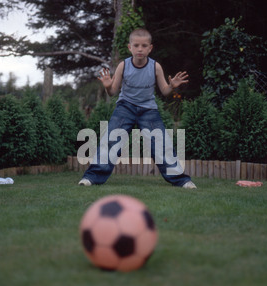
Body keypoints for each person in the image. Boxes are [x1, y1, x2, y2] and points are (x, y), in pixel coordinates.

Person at [78, 28, 196, 189]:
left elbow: (165, 91)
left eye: (144, 45)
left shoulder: (156, 67)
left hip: (148, 110)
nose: (140, 49)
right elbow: (113, 92)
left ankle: (182, 180)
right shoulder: (123, 66)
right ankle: (92, 177)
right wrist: (107, 86)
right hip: (125, 108)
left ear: (150, 48)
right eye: (136, 45)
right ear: (130, 47)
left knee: (162, 144)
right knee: (111, 140)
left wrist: (172, 86)